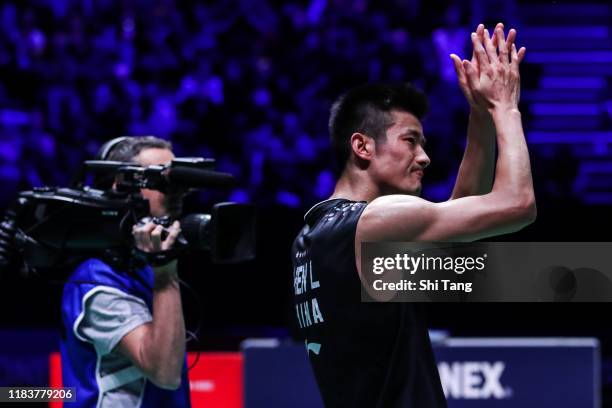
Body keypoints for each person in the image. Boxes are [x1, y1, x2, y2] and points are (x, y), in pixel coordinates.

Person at [291, 23, 535, 407]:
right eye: (409, 140)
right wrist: (505, 107)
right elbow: (517, 205)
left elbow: (452, 233)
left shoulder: (314, 234)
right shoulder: (376, 221)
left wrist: (479, 116)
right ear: (362, 146)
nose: (424, 157)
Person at [60, 136, 191, 407]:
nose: (176, 191)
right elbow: (165, 372)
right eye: (161, 180)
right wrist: (166, 274)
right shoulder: (96, 280)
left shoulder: (144, 267)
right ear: (122, 187)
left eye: (178, 181)